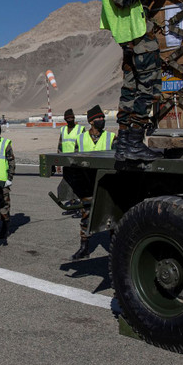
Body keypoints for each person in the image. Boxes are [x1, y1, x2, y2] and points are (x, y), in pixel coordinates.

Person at [100, 0, 168, 161]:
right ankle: (135, 143)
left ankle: (125, 145)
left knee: (130, 89)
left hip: (132, 33)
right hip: (136, 34)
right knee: (146, 88)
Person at [72, 105, 117, 260]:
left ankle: (115, 249)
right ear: (91, 121)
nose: (102, 120)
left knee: (112, 217)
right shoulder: (81, 138)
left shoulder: (111, 137)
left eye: (103, 118)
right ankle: (84, 247)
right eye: (98, 118)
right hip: (88, 184)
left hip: (108, 184)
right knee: (86, 215)